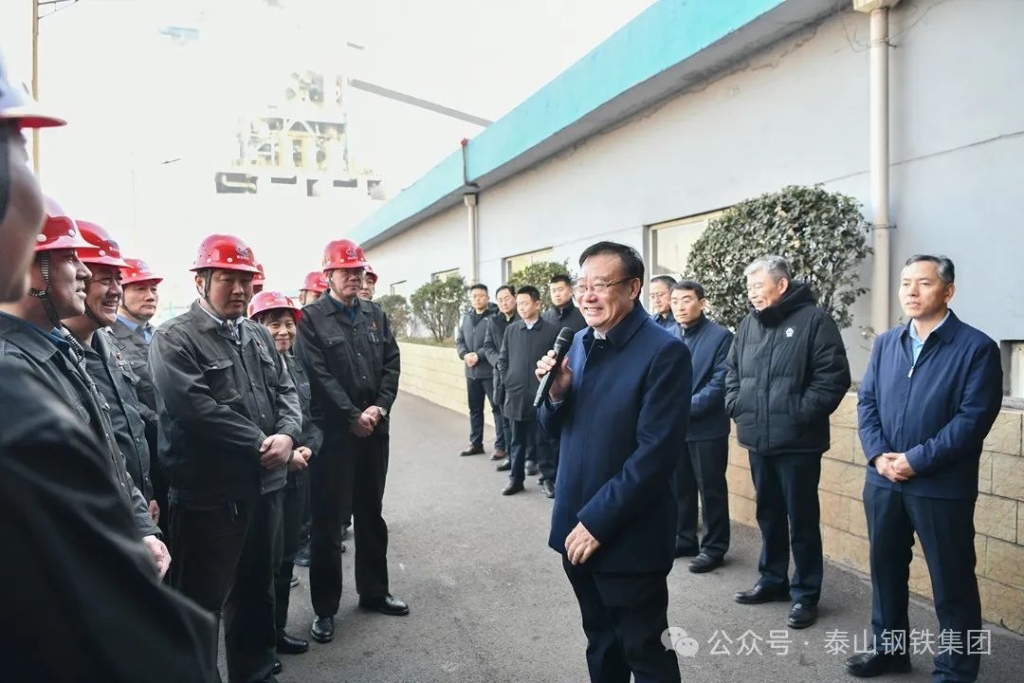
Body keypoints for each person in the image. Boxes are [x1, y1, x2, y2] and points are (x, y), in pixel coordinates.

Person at [0, 53, 217, 681]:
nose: (84, 276)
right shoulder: (14, 390)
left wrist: (136, 515)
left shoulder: (56, 355)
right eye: (18, 148)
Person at [150, 233, 303, 682]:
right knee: (201, 606)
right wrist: (262, 443)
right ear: (201, 281)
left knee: (257, 594)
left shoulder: (256, 334)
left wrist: (288, 434)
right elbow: (195, 409)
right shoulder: (173, 338)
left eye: (245, 280)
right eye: (226, 279)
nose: (239, 289)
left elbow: (286, 389)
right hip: (209, 498)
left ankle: (257, 675)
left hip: (263, 490)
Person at [537, 242, 691, 683]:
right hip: (574, 528)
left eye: (601, 285)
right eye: (582, 285)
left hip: (628, 537)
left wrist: (598, 522)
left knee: (646, 653)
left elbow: (655, 456)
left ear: (633, 288)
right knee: (601, 645)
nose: (587, 296)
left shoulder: (664, 352)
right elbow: (553, 428)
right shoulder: (579, 341)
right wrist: (557, 393)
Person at [846, 255, 1002, 682]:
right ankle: (890, 650)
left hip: (941, 485)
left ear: (948, 291)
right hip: (883, 480)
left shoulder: (976, 348)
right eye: (905, 283)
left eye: (924, 283)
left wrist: (915, 460)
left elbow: (971, 421)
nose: (911, 292)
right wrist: (879, 455)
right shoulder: (887, 343)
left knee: (952, 582)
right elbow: (867, 402)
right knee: (886, 572)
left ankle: (956, 670)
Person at [725, 255, 850, 630]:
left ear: (781, 285)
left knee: (802, 520)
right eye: (749, 287)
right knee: (769, 514)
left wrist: (798, 414)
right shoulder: (748, 324)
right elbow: (732, 371)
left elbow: (832, 378)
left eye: (758, 286)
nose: (752, 293)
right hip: (758, 438)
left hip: (798, 442)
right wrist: (737, 405)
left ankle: (806, 594)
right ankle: (772, 580)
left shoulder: (815, 321)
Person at [295, 238, 407, 647]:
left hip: (374, 432)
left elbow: (392, 363)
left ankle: (375, 592)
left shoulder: (376, 314)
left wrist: (379, 408)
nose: (355, 278)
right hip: (334, 436)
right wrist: (351, 416)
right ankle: (325, 609)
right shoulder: (310, 319)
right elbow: (317, 374)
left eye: (359, 271)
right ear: (328, 275)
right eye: (347, 272)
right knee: (327, 522)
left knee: (371, 514)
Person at [64, 220, 160, 528]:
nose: (116, 290)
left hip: (136, 508)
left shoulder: (111, 345)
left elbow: (132, 429)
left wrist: (145, 495)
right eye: (105, 279)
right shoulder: (56, 356)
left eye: (119, 279)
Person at [249, 291, 322, 660]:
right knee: (261, 565)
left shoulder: (297, 365)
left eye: (288, 324)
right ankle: (259, 647)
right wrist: (285, 454)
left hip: (297, 475)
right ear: (256, 328)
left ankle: (277, 633)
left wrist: (308, 447)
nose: (283, 331)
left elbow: (312, 416)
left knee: (286, 558)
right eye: (274, 324)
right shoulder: (247, 367)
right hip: (264, 480)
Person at [669, 280, 732, 573]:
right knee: (680, 487)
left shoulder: (721, 337)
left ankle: (714, 547)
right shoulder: (668, 335)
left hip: (707, 428)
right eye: (675, 301)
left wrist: (681, 408)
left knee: (711, 490)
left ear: (702, 303)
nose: (680, 307)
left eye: (686, 300)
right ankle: (684, 539)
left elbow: (720, 383)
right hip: (676, 428)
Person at [111, 256, 167, 534]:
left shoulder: (162, 335)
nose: (150, 296)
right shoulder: (107, 337)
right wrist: (166, 422)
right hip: (141, 453)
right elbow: (124, 400)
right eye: (140, 288)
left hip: (170, 454)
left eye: (153, 289)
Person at [495, 286, 558, 497]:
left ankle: (548, 479)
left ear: (537, 304)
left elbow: (556, 363)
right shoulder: (512, 330)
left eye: (525, 303)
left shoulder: (550, 331)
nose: (521, 307)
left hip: (541, 395)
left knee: (543, 440)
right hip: (516, 394)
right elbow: (503, 359)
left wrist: (548, 388)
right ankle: (516, 479)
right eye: (519, 303)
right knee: (516, 441)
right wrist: (508, 380)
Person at [455, 283, 502, 457]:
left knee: (497, 409)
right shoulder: (466, 317)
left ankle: (501, 446)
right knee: (474, 409)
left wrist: (478, 355)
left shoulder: (495, 316)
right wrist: (465, 354)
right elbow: (460, 340)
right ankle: (476, 443)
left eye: (481, 295)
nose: (477, 299)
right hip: (471, 372)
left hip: (489, 372)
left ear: (487, 298)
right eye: (474, 296)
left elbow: (496, 341)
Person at [482, 284, 517, 466]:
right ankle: (511, 457)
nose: (504, 303)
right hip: (500, 377)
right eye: (500, 300)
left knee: (522, 420)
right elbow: (488, 346)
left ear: (515, 298)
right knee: (505, 419)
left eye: (507, 298)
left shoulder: (522, 318)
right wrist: (498, 362)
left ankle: (529, 458)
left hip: (520, 375)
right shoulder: (493, 321)